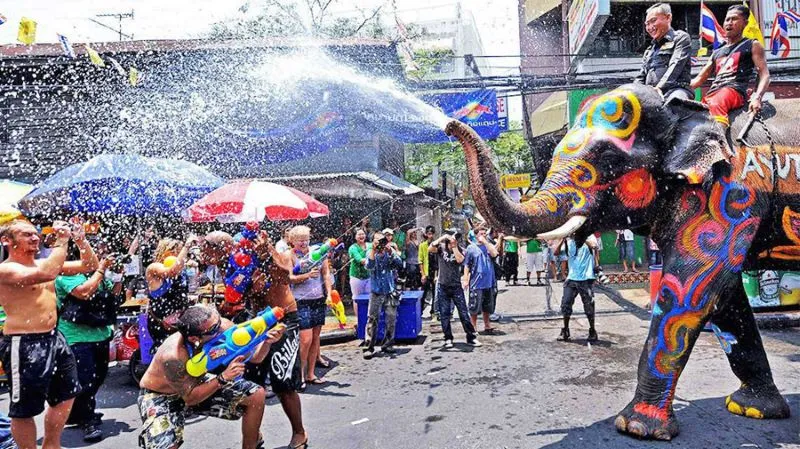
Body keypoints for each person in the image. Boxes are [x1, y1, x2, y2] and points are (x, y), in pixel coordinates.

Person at [0, 219, 98, 449]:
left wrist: (81, 240)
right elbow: (46, 273)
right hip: (23, 342)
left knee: (67, 394)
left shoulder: (44, 262)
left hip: (54, 338)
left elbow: (88, 265)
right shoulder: (6, 269)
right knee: (23, 409)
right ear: (6, 240)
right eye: (26, 235)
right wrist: (62, 242)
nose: (35, 238)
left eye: (35, 234)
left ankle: (51, 445)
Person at [137, 304, 285, 449]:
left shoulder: (222, 326)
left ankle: (251, 444)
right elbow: (190, 398)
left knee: (255, 395)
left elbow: (256, 358)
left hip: (198, 383)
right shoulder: (173, 356)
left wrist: (267, 341)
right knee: (165, 446)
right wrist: (222, 378)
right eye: (214, 328)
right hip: (160, 395)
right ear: (195, 338)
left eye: (219, 320)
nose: (221, 327)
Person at [241, 233, 308, 449]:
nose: (254, 244)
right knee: (252, 383)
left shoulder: (280, 255)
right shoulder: (242, 260)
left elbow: (284, 277)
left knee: (283, 381)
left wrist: (267, 256)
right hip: (257, 321)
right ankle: (254, 434)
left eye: (259, 241)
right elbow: (243, 294)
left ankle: (299, 432)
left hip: (284, 320)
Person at [55, 241, 123, 442]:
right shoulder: (66, 274)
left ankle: (78, 412)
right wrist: (101, 269)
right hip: (75, 337)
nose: (101, 256)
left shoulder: (98, 274)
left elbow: (114, 294)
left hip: (99, 334)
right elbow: (84, 292)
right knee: (85, 379)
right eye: (97, 253)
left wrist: (118, 274)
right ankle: (87, 419)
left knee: (99, 377)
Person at [691, 4, 770, 129]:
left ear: (745, 23)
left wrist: (757, 97)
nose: (729, 23)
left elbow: (765, 75)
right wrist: (677, 88)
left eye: (734, 19)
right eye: (727, 19)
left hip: (734, 91)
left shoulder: (752, 44)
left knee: (716, 103)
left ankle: (719, 145)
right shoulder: (717, 52)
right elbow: (699, 79)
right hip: (714, 93)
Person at [288, 226, 331, 386]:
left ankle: (311, 374)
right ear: (292, 241)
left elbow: (326, 274)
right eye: (300, 240)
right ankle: (298, 375)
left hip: (318, 299)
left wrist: (330, 293)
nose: (304, 243)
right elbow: (289, 278)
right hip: (301, 300)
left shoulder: (318, 252)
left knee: (315, 339)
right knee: (305, 339)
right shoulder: (290, 255)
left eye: (306, 239)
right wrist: (306, 275)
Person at [145, 236, 197, 352]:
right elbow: (172, 271)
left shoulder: (182, 269)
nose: (179, 255)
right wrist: (186, 246)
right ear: (165, 251)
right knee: (167, 353)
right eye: (175, 252)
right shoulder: (154, 268)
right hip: (161, 322)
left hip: (179, 321)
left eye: (179, 252)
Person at [429, 230, 480, 349]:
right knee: (444, 314)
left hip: (456, 286)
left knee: (463, 313)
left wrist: (455, 247)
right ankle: (448, 338)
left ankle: (471, 337)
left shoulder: (461, 249)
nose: (454, 240)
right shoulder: (441, 248)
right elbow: (430, 249)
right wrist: (442, 237)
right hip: (443, 286)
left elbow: (460, 260)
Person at [634, 3, 693, 102]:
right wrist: (633, 92)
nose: (650, 27)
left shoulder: (680, 38)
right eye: (647, 24)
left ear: (668, 18)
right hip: (651, 95)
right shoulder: (649, 50)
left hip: (676, 89)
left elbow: (676, 65)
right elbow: (641, 76)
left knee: (675, 103)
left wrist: (659, 88)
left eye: (653, 21)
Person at [362, 231, 404, 359]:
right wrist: (374, 251)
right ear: (373, 241)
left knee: (391, 319)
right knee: (372, 319)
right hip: (376, 291)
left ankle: (388, 344)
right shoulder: (370, 251)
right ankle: (369, 346)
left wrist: (391, 251)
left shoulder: (389, 251)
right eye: (377, 240)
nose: (380, 242)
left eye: (382, 240)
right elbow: (369, 266)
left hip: (390, 290)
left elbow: (399, 264)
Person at [556, 235, 600, 342]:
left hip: (586, 278)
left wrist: (582, 237)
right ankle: (565, 330)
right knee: (566, 304)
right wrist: (563, 239)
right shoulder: (568, 241)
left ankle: (592, 330)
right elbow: (556, 253)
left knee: (589, 306)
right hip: (572, 278)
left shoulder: (589, 237)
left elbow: (594, 246)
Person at [464, 224, 501, 336]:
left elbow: (495, 254)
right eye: (481, 234)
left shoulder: (488, 246)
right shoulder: (471, 248)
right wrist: (466, 279)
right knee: (474, 306)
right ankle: (473, 326)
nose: (483, 235)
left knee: (487, 305)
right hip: (476, 282)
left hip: (488, 281)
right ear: (475, 235)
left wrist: (485, 242)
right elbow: (467, 265)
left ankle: (487, 324)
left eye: (485, 233)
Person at [348, 228, 371, 317]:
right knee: (357, 298)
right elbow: (359, 260)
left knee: (370, 297)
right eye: (359, 234)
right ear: (355, 237)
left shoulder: (370, 245)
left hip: (368, 276)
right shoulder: (353, 248)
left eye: (363, 234)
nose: (361, 236)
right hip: (356, 277)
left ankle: (368, 318)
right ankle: (359, 320)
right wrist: (371, 261)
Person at [418, 226, 436, 318]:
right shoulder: (422, 245)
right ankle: (420, 311)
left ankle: (433, 312)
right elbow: (420, 261)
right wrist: (423, 274)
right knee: (423, 292)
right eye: (428, 233)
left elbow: (438, 261)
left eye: (431, 233)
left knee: (435, 293)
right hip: (426, 271)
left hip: (434, 272)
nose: (430, 235)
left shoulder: (436, 244)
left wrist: (437, 275)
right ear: (426, 234)